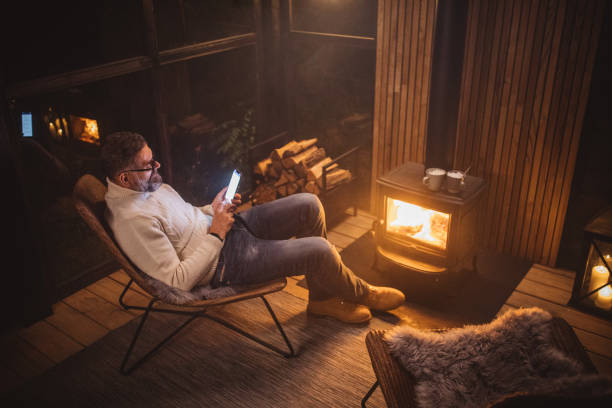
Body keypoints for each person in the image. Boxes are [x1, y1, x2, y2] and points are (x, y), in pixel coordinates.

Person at [101, 131, 405, 324]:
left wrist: (214, 208)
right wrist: (217, 232)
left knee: (310, 203)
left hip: (225, 230)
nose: (157, 168)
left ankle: (322, 300)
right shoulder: (132, 222)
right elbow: (177, 281)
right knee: (321, 250)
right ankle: (364, 293)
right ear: (124, 178)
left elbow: (189, 216)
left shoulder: (148, 186)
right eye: (148, 165)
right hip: (224, 263)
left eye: (153, 160)